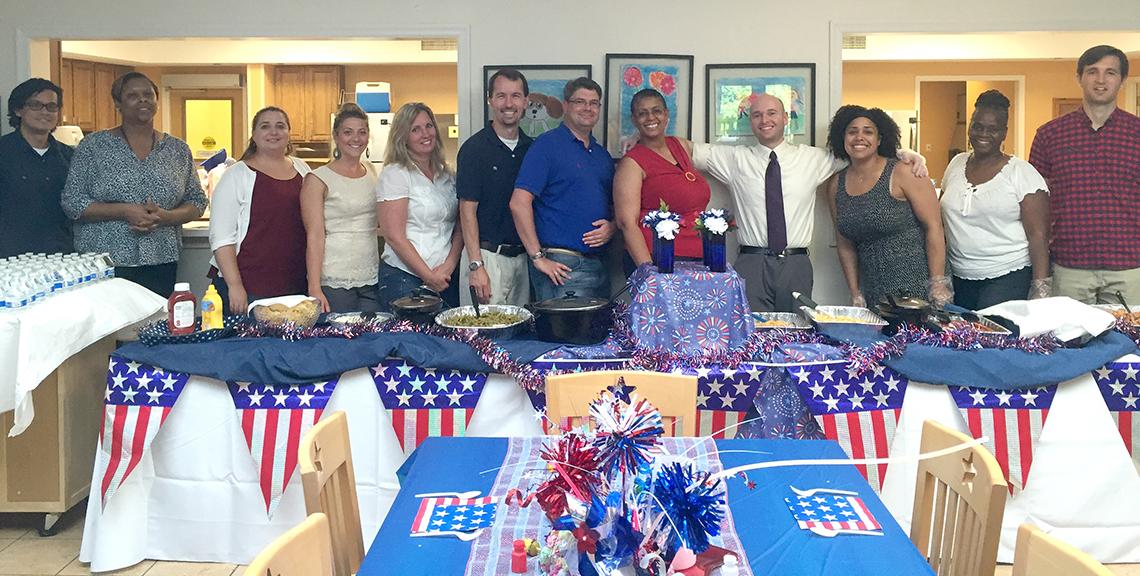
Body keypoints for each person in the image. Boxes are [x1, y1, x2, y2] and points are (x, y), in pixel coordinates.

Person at [688, 93, 926, 312]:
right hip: (751, 262)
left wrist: (902, 153)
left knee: (797, 336)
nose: (764, 120)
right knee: (751, 334)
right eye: (757, 115)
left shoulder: (813, 158)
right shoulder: (733, 158)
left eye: (772, 113)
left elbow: (860, 149)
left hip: (796, 264)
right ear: (750, 121)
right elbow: (685, 150)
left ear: (784, 118)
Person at [61, 72, 206, 296]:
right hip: (105, 261)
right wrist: (124, 211)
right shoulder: (93, 147)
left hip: (160, 259)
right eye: (132, 95)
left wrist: (166, 216)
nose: (143, 100)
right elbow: (72, 202)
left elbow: (197, 200)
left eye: (148, 94)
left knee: (155, 325)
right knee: (111, 326)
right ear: (118, 103)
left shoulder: (177, 149)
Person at [1030, 45, 1140, 304]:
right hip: (1070, 267)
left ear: (1122, 81)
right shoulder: (1050, 135)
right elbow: (1036, 205)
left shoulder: (1137, 133)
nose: (1101, 80)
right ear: (1079, 77)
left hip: (1129, 266)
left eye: (1110, 73)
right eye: (1093, 72)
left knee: (1128, 344)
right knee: (1070, 342)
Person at [825, 105, 949, 307]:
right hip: (875, 291)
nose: (859, 137)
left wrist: (938, 283)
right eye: (852, 132)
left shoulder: (904, 172)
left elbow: (934, 227)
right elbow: (844, 243)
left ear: (880, 139)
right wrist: (855, 292)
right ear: (842, 138)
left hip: (917, 286)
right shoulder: (835, 185)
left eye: (868, 131)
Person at [941, 90, 1050, 309]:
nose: (983, 134)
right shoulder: (955, 164)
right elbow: (940, 221)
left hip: (1008, 274)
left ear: (1004, 133)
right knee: (961, 338)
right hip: (960, 274)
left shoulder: (1021, 172)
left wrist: (1041, 289)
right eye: (978, 126)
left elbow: (1039, 235)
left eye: (993, 129)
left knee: (992, 337)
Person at [510, 77, 615, 300]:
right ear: (565, 105)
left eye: (594, 103)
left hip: (599, 265)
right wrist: (537, 257)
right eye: (580, 101)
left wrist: (612, 227)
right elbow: (519, 203)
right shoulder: (547, 146)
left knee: (596, 334)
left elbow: (613, 206)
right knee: (565, 335)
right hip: (561, 267)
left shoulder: (601, 155)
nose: (588, 108)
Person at [208, 106, 311, 313]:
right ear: (254, 135)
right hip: (249, 286)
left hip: (294, 284)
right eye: (265, 126)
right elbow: (221, 239)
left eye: (280, 126)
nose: (273, 132)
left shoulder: (303, 169)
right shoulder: (236, 175)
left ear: (289, 134)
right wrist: (235, 286)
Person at [457, 68, 532, 305]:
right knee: (481, 338)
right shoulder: (474, 149)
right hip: (486, 259)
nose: (508, 103)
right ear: (490, 100)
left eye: (515, 96)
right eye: (501, 96)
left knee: (521, 337)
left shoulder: (533, 150)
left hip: (523, 261)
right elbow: (466, 212)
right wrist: (476, 265)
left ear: (526, 101)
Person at [375, 102, 462, 309]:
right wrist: (429, 276)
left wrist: (448, 266)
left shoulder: (446, 174)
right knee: (409, 342)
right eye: (415, 129)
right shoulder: (395, 174)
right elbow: (394, 236)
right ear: (402, 137)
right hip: (405, 279)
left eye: (429, 126)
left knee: (447, 340)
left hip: (446, 278)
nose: (425, 133)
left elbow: (460, 225)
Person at [614, 88, 710, 268]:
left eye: (656, 111)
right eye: (643, 113)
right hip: (658, 259)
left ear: (666, 115)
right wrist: (648, 271)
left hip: (697, 257)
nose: (650, 118)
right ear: (634, 119)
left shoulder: (680, 145)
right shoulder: (631, 163)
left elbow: (716, 154)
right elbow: (627, 223)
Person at [300, 103, 380, 313]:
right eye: (348, 132)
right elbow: (315, 236)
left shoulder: (372, 172)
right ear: (336, 136)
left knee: (372, 341)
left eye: (362, 132)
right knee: (342, 342)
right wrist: (314, 287)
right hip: (333, 280)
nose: (356, 138)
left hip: (371, 277)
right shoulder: (318, 179)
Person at [0, 78, 74, 257]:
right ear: (18, 110)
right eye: (35, 105)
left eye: (51, 107)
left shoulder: (69, 156)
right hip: (10, 257)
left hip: (61, 255)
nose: (45, 112)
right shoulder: (3, 152)